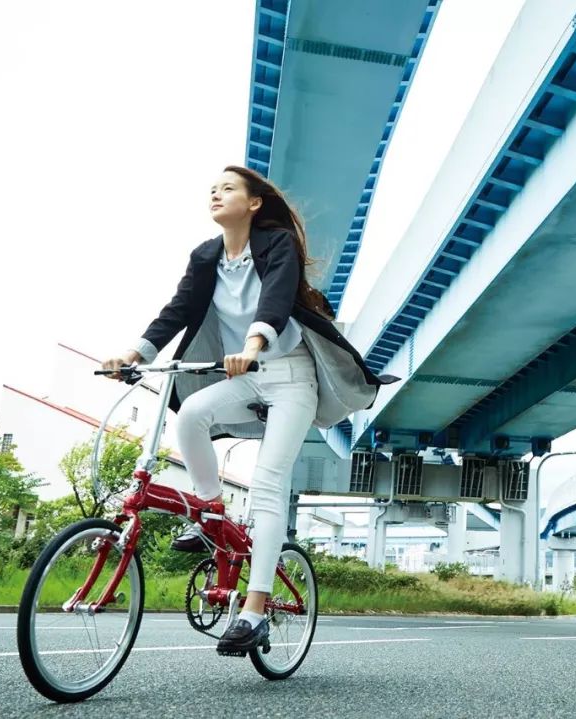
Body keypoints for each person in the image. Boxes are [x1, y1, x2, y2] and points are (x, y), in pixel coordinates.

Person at [102, 165, 395, 655]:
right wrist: (133, 356)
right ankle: (211, 510)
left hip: (290, 378)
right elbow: (176, 311)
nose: (216, 193)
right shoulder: (205, 256)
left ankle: (255, 609)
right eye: (211, 188)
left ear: (254, 203)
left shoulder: (276, 243)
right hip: (249, 374)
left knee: (267, 483)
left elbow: (278, 297)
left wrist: (256, 342)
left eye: (228, 188)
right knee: (193, 411)